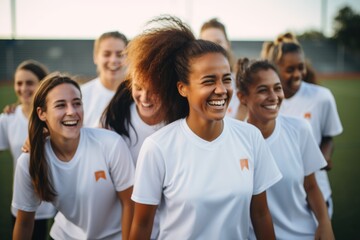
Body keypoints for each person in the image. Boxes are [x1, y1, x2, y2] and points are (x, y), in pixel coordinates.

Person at [129, 15, 282, 240]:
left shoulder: (250, 137)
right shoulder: (158, 147)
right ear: (183, 88)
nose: (221, 90)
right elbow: (142, 226)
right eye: (209, 81)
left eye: (226, 79)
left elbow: (260, 214)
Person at [12, 73, 135, 240]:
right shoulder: (28, 162)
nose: (72, 112)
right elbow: (24, 223)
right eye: (60, 105)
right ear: (42, 113)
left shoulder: (110, 144)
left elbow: (130, 204)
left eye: (77, 103)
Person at [236, 58, 334, 239]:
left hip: (305, 233)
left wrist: (325, 223)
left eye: (277, 88)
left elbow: (311, 186)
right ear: (243, 97)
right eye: (263, 90)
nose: (274, 96)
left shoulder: (299, 129)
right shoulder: (234, 141)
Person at [262, 32, 343, 218]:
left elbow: (328, 137)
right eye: (290, 69)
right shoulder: (264, 101)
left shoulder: (322, 97)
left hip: (315, 192)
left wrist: (325, 156)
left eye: (301, 67)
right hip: (279, 195)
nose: (298, 74)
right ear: (274, 69)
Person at [101, 78, 166, 240]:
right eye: (139, 88)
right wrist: (48, 135)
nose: (144, 97)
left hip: (163, 222)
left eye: (153, 90)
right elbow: (86, 141)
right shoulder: (117, 114)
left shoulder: (179, 117)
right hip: (121, 221)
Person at [0, 60, 56, 240]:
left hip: (58, 201)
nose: (23, 88)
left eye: (30, 83)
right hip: (23, 200)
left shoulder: (56, 117)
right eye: (19, 83)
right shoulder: (7, 118)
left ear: (42, 84)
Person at [199, 18, 247, 120]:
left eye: (218, 42)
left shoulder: (243, 83)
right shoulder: (193, 85)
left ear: (228, 45)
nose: (213, 48)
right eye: (207, 42)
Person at [81, 31, 128, 127]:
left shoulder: (139, 96)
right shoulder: (81, 95)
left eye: (119, 54)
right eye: (107, 54)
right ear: (96, 57)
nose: (113, 60)